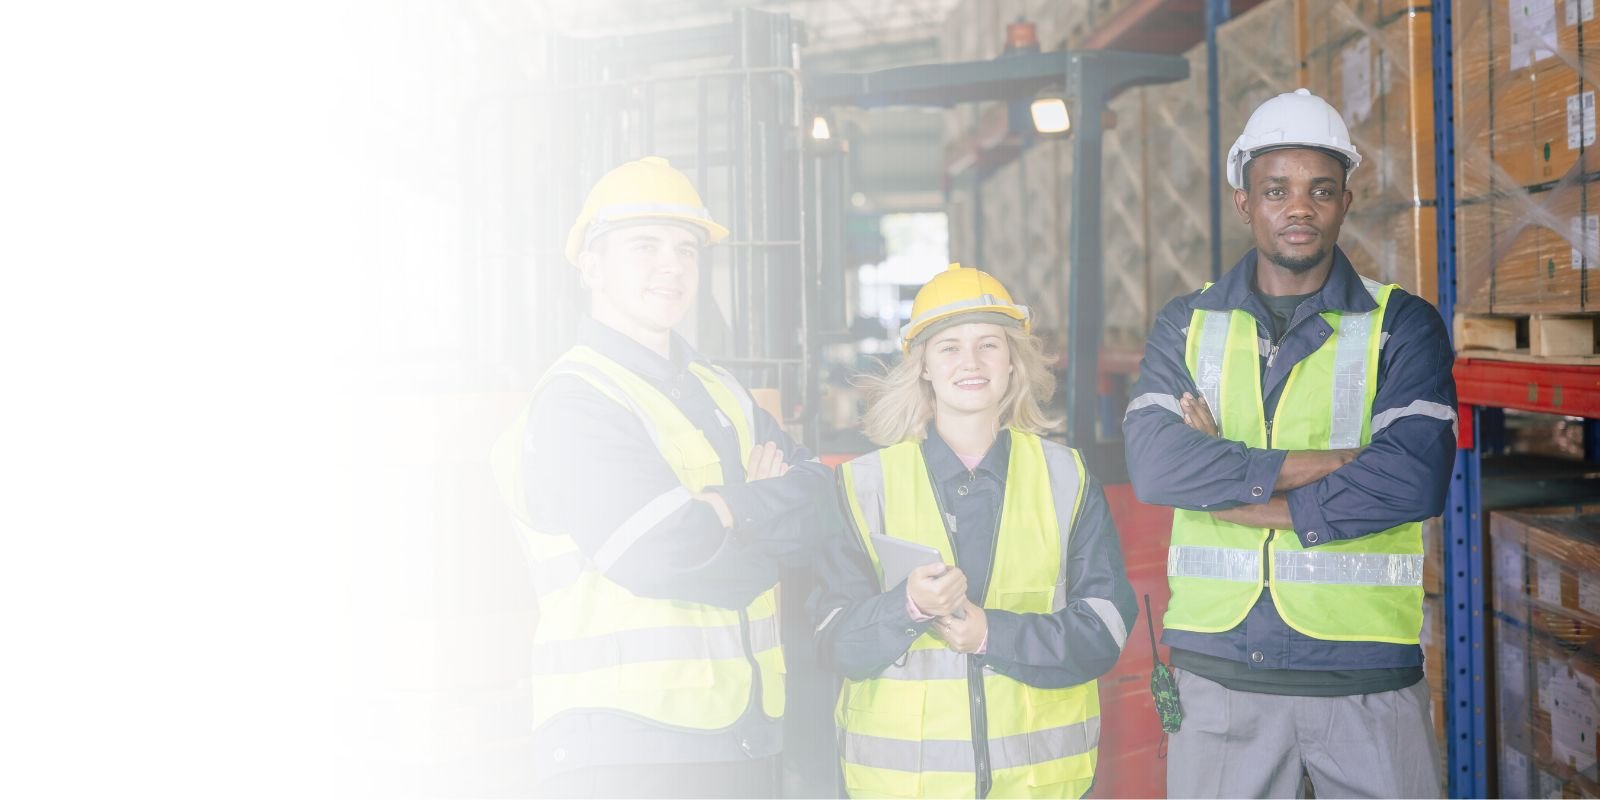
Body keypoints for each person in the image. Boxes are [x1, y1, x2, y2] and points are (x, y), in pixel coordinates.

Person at [1122, 89, 1457, 798]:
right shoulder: (1186, 324)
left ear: (1345, 201)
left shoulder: (1402, 326)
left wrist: (1242, 498)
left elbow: (1412, 482)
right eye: (1276, 190)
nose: (1298, 208)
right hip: (1220, 675)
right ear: (1245, 200)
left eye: (1320, 191)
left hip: (1364, 672)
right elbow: (1156, 465)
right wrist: (1336, 463)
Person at [493, 156, 833, 797]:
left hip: (741, 732)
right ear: (591, 265)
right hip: (620, 747)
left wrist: (722, 511)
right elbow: (658, 551)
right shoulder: (575, 398)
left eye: (686, 249)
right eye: (644, 247)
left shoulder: (717, 387)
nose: (672, 266)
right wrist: (758, 517)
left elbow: (819, 503)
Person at [812, 264, 1136, 798]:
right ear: (923, 369)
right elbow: (831, 642)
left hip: (1038, 786)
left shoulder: (1067, 479)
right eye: (949, 347)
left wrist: (991, 635)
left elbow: (1104, 632)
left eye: (989, 344)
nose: (971, 362)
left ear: (1013, 363)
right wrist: (907, 607)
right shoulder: (862, 486)